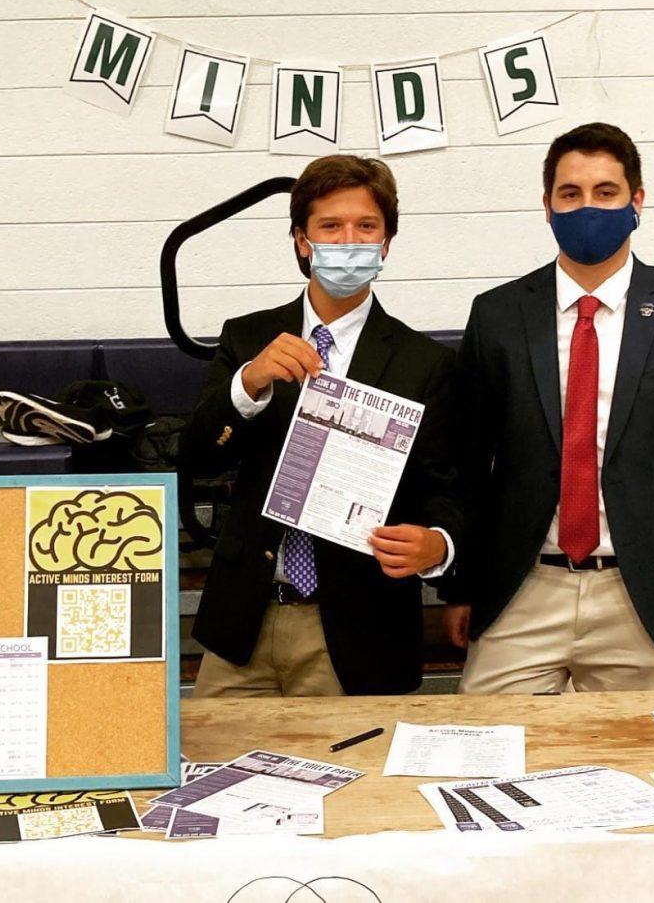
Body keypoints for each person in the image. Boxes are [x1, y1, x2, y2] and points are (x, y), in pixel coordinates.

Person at [443, 122, 654, 693]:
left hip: (642, 598)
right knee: (484, 762)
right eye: (570, 194)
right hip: (523, 590)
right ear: (547, 206)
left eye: (605, 193)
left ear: (637, 201)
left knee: (633, 774)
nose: (588, 207)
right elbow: (468, 466)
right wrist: (461, 587)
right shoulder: (498, 314)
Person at [182, 155, 462, 696]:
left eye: (366, 226)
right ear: (302, 240)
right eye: (330, 227)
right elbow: (194, 456)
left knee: (354, 779)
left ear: (386, 243)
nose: (348, 240)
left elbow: (449, 490)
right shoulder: (247, 338)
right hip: (243, 619)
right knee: (215, 768)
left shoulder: (424, 362)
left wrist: (438, 544)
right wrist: (249, 383)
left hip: (359, 630)